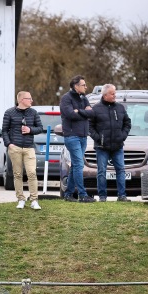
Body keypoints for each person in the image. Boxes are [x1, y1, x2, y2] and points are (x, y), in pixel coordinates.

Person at [87, 84, 132, 202]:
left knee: (121, 170)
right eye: (112, 94)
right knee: (101, 171)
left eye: (115, 93)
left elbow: (127, 123)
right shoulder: (95, 109)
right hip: (102, 147)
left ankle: (122, 196)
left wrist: (122, 136)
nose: (115, 96)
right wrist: (98, 139)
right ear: (105, 95)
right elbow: (90, 126)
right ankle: (102, 197)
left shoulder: (120, 108)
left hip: (117, 146)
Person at [2, 91, 44, 210]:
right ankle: (20, 199)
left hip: (29, 147)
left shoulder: (33, 112)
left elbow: (40, 128)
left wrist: (30, 130)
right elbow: (4, 130)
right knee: (18, 174)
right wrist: (9, 144)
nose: (32, 100)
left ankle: (34, 200)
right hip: (14, 147)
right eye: (29, 98)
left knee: (32, 173)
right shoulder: (9, 112)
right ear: (21, 100)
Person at [60, 75, 95, 203]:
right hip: (72, 136)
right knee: (79, 165)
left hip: (83, 136)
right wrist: (84, 112)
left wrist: (78, 111)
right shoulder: (66, 99)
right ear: (76, 86)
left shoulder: (84, 98)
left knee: (75, 166)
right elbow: (70, 114)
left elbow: (92, 113)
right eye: (83, 85)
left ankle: (68, 194)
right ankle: (82, 194)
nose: (86, 87)